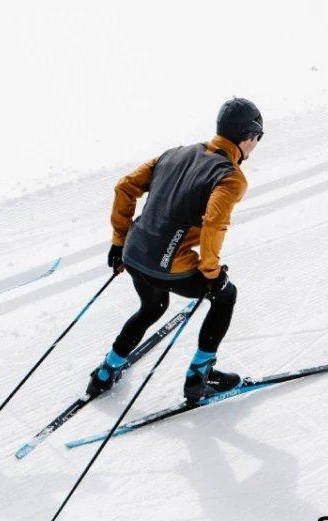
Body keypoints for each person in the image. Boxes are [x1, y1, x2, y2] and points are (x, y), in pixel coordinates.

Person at [87, 98, 263, 404]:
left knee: (152, 307)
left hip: (133, 252)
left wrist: (119, 241)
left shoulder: (174, 154)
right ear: (248, 136)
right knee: (225, 296)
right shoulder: (231, 177)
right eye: (257, 139)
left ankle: (106, 371)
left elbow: (125, 187)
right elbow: (214, 224)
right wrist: (213, 273)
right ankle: (200, 376)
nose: (256, 146)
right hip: (167, 265)